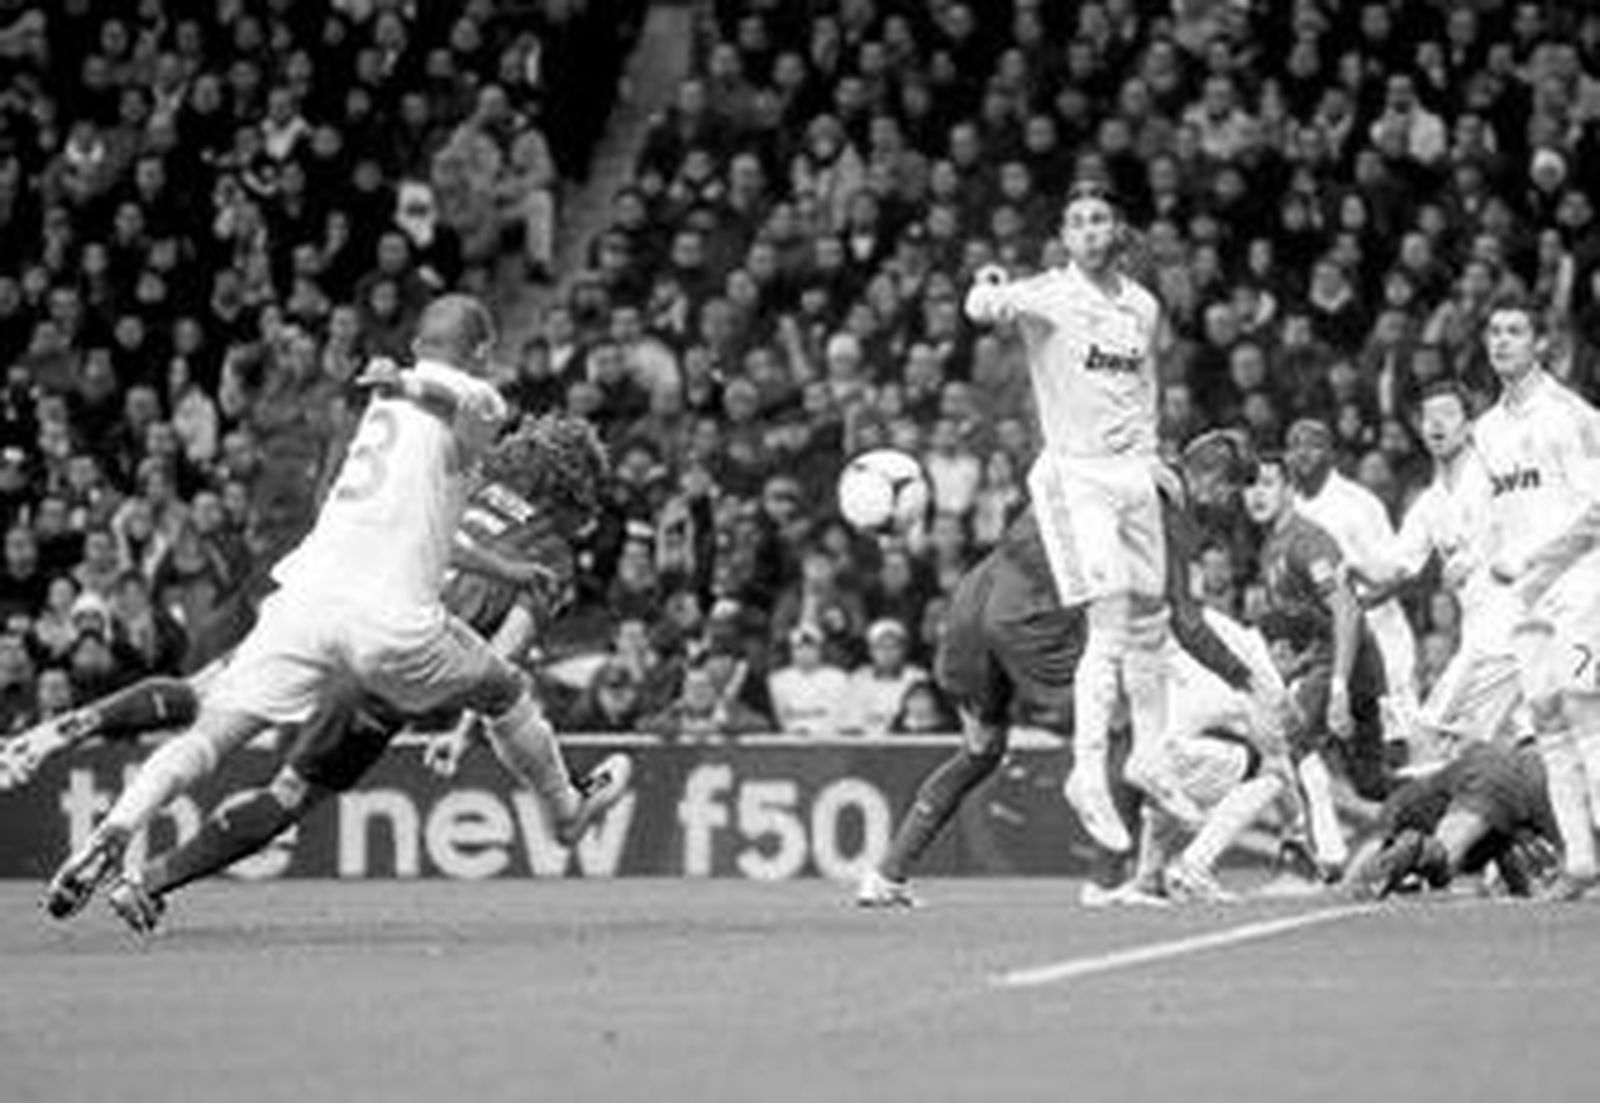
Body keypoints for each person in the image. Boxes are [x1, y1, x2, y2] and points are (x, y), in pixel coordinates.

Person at [42, 295, 631, 921]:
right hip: (397, 636)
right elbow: (507, 639)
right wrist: (463, 728)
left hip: (308, 597)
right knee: (494, 695)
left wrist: (396, 383)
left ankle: (117, 828)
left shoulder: (419, 442)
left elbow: (447, 541)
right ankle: (566, 814)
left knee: (212, 731)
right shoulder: (492, 432)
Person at [856, 431, 1291, 907]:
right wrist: (1247, 681)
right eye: (1232, 489)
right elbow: (1186, 622)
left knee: (982, 749)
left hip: (976, 596)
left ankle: (887, 876)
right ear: (1207, 477)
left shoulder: (1118, 462)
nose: (1230, 504)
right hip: (1030, 613)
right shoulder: (1161, 509)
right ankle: (1107, 884)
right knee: (1127, 734)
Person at [963, 179, 1183, 853]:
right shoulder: (1051, 293)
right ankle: (1087, 771)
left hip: (1131, 476)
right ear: (1065, 237)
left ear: (1117, 232)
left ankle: (1147, 752)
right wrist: (987, 282)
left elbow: (1144, 388)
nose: (1089, 230)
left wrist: (1152, 459)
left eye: (1099, 219)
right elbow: (981, 308)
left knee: (1153, 613)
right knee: (1110, 612)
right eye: (1077, 221)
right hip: (1075, 476)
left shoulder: (1142, 306)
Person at [1473, 295, 1600, 900]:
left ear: (1539, 343)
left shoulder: (1570, 415)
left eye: (1515, 332)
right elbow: (1495, 516)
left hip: (1579, 584)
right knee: (1547, 722)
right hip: (1525, 600)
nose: (1502, 342)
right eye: (1494, 332)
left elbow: (1597, 508)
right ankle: (1579, 862)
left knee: (1587, 714)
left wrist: (1532, 559)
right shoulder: (1487, 431)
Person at [1354, 382, 1522, 762]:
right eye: (1429, 417)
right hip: (1485, 640)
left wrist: (1479, 559)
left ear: (1469, 426)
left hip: (1512, 634)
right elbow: (1391, 568)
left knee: (1431, 740)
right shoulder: (1429, 504)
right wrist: (1345, 577)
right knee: (1523, 750)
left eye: (1448, 414)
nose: (1436, 424)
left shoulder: (1498, 477)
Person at [1244, 453, 1391, 876]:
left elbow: (1346, 611)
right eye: (1250, 486)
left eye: (1268, 483)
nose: (1256, 494)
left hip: (1346, 661)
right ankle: (1454, 801)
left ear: (1290, 489)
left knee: (1287, 736)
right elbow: (1309, 621)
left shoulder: (1308, 541)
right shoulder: (1271, 547)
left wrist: (1340, 688)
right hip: (1336, 662)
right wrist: (1296, 662)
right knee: (1371, 783)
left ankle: (1323, 856)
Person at [1285, 417, 1421, 755]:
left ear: (1331, 453)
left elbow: (1395, 574)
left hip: (1379, 634)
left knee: (1397, 742)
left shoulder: (1358, 505)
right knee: (1326, 746)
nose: (1303, 453)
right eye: (1295, 445)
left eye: (1313, 445)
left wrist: (1357, 605)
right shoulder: (1290, 506)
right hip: (1326, 642)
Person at [1344, 741, 1560, 900]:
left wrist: (1351, 886)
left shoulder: (1397, 808)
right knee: (1447, 863)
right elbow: (1504, 849)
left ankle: (1418, 850)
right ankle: (1418, 851)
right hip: (1508, 774)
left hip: (1490, 778)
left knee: (1444, 862)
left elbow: (1353, 879)